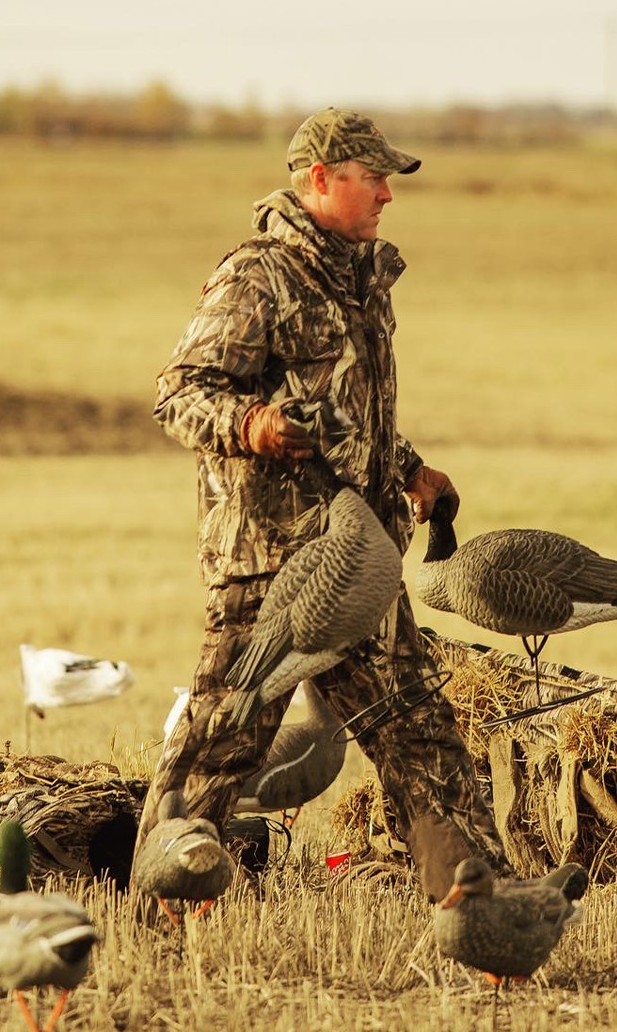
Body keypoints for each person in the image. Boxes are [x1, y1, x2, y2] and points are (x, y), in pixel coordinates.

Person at [134, 107, 507, 899]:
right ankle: (160, 907)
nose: (387, 195)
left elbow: (345, 413)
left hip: (361, 562)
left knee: (423, 735)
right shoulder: (257, 275)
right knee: (220, 745)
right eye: (374, 178)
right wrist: (252, 424)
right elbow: (178, 395)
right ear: (319, 181)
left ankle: (484, 907)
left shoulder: (361, 277)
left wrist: (407, 468)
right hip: (273, 564)